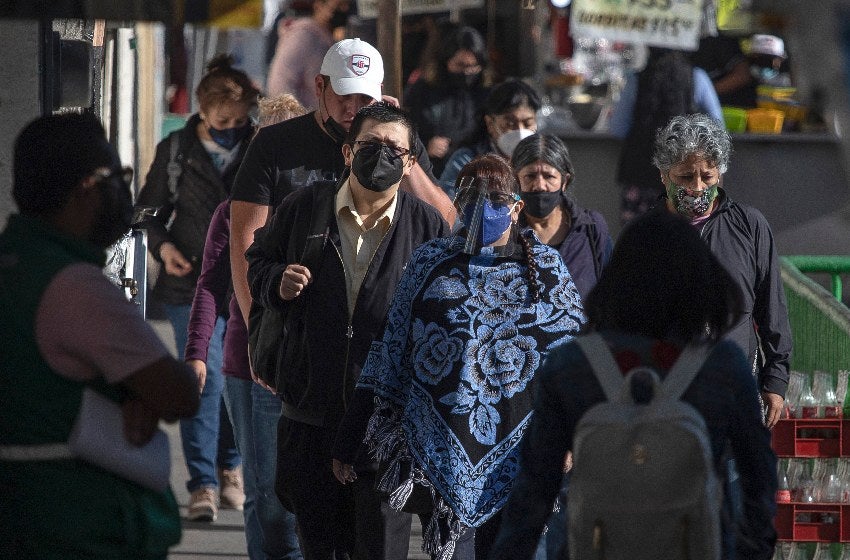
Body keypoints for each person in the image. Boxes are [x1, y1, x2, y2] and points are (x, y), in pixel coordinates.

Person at [333, 154, 586, 559]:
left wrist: (572, 439)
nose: (483, 207)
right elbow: (390, 352)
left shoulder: (549, 270)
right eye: (470, 197)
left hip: (526, 447)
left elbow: (574, 365)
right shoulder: (430, 263)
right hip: (443, 447)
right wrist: (349, 441)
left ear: (516, 207)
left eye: (496, 199)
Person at [490, 211, 778, 560]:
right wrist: (751, 549)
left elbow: (535, 486)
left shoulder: (573, 365)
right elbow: (757, 475)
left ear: (617, 280)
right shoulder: (722, 367)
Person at [247, 102, 452, 560]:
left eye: (394, 150)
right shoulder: (304, 208)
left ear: (412, 162)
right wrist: (277, 281)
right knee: (319, 546)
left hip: (385, 427)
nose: (381, 157)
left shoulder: (427, 226)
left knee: (379, 548)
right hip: (310, 415)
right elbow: (255, 265)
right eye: (369, 145)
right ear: (346, 152)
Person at [0, 113, 200, 559]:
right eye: (117, 177)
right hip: (77, 525)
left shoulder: (14, 261)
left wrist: (127, 391)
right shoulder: (74, 285)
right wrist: (137, 392)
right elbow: (178, 393)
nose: (122, 191)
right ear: (88, 187)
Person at [230, 37, 456, 363]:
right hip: (292, 340)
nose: (353, 108)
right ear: (319, 86)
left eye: (365, 98)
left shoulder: (398, 147)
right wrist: (262, 340)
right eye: (343, 95)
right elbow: (244, 244)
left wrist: (398, 145)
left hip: (374, 347)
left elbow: (442, 220)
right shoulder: (275, 144)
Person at [136, 53, 259, 521]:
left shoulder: (259, 146)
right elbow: (147, 212)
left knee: (239, 375)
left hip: (245, 280)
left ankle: (232, 469)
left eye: (240, 119)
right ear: (202, 114)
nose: (232, 127)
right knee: (203, 377)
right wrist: (163, 248)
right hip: (189, 283)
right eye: (222, 120)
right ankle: (203, 482)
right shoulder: (176, 151)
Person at [184, 95, 307, 559]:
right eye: (266, 141)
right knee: (267, 498)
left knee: (299, 499)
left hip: (317, 362)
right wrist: (197, 352)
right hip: (249, 364)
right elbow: (211, 288)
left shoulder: (331, 203)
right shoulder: (232, 211)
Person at [649, 113, 791, 428]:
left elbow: (772, 310)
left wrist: (776, 382)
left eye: (707, 176)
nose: (697, 188)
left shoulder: (750, 226)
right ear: (663, 175)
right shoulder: (645, 235)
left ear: (721, 174)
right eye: (685, 177)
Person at [609, 47, 723, 224]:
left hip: (640, 178)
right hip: (688, 181)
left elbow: (618, 128)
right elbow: (717, 128)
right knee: (687, 242)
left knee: (641, 244)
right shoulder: (696, 77)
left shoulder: (636, 80)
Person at [512, 133, 612, 300]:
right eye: (530, 176)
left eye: (549, 176)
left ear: (564, 181)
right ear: (516, 180)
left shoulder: (590, 229)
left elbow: (611, 292)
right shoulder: (506, 233)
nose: (540, 186)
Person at [403, 20, 490, 176]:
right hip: (434, 172)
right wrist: (425, 146)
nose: (467, 73)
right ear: (446, 61)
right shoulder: (424, 90)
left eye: (473, 66)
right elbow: (406, 128)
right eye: (460, 65)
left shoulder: (485, 93)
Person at [440, 79, 541, 198]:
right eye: (510, 124)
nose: (519, 131)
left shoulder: (543, 160)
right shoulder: (467, 161)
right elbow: (448, 207)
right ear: (490, 124)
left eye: (528, 124)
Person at [266, 0, 350, 108]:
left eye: (347, 5)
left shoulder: (326, 37)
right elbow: (280, 82)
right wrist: (293, 120)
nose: (345, 9)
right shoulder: (303, 36)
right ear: (319, 5)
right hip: (303, 119)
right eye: (339, 6)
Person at [690, 33, 757, 108]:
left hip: (731, 107)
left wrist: (705, 93)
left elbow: (742, 75)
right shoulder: (679, 47)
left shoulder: (718, 41)